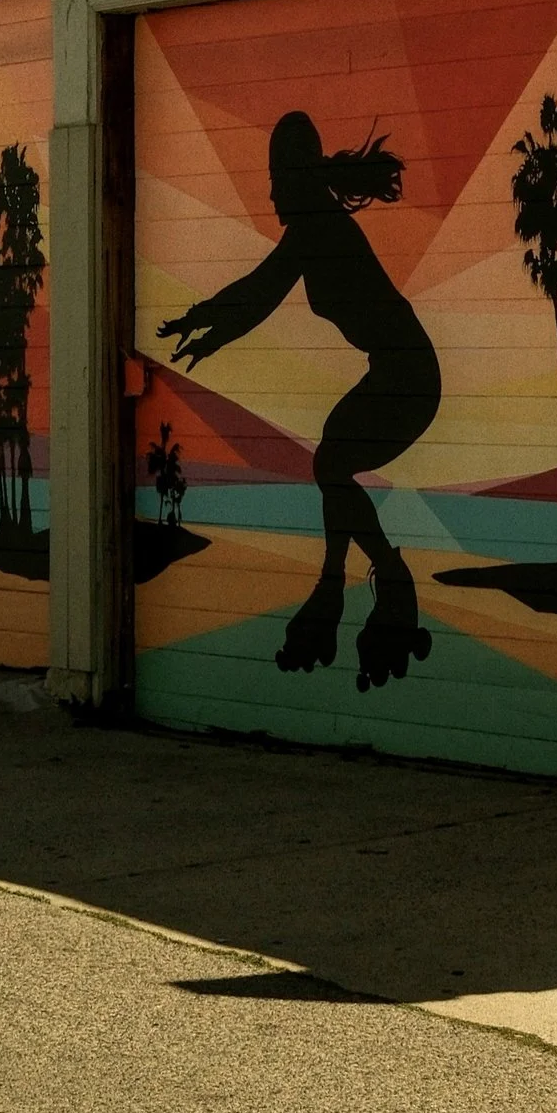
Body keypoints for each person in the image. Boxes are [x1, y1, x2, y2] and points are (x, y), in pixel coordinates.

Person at [161, 110, 441, 691]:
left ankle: (374, 577)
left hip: (408, 373)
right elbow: (257, 294)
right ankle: (344, 581)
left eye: (272, 177)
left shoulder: (321, 228)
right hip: (392, 369)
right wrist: (204, 327)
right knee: (332, 463)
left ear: (292, 175)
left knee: (332, 464)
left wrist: (204, 324)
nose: (267, 191)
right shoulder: (314, 228)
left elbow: (257, 294)